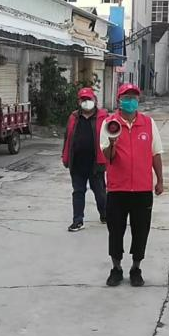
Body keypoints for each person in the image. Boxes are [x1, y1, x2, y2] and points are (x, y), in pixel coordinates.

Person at [101, 83, 164, 287]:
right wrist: (113, 141)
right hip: (117, 189)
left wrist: (160, 180)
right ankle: (116, 268)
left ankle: (136, 268)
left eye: (134, 98)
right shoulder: (109, 124)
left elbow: (156, 153)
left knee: (141, 231)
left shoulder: (148, 123)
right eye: (127, 97)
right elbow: (108, 157)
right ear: (119, 100)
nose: (131, 101)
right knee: (115, 231)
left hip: (142, 189)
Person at [62, 87, 108, 232]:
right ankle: (77, 220)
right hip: (77, 163)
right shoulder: (74, 117)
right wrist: (65, 157)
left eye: (89, 99)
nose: (86, 102)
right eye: (83, 99)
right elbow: (67, 138)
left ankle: (105, 214)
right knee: (78, 192)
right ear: (79, 101)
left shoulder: (103, 117)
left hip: (96, 163)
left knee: (100, 193)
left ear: (94, 100)